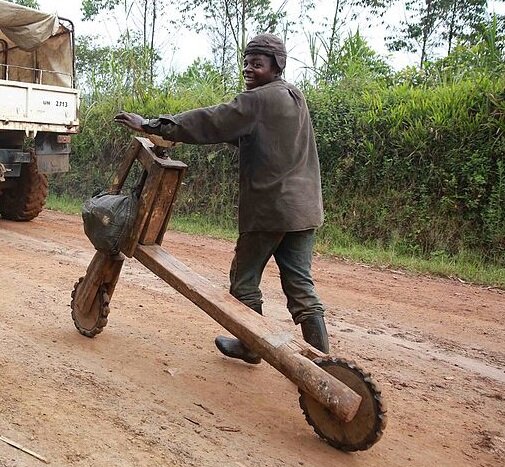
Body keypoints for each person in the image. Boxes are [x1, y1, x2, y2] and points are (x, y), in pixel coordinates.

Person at [114, 33, 329, 364]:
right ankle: (325, 364)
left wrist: (151, 124)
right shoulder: (293, 96)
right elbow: (258, 139)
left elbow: (211, 120)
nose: (248, 69)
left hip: (270, 209)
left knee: (244, 283)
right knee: (301, 288)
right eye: (246, 63)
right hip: (304, 210)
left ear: (277, 66)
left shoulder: (257, 100)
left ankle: (249, 346)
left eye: (257, 64)